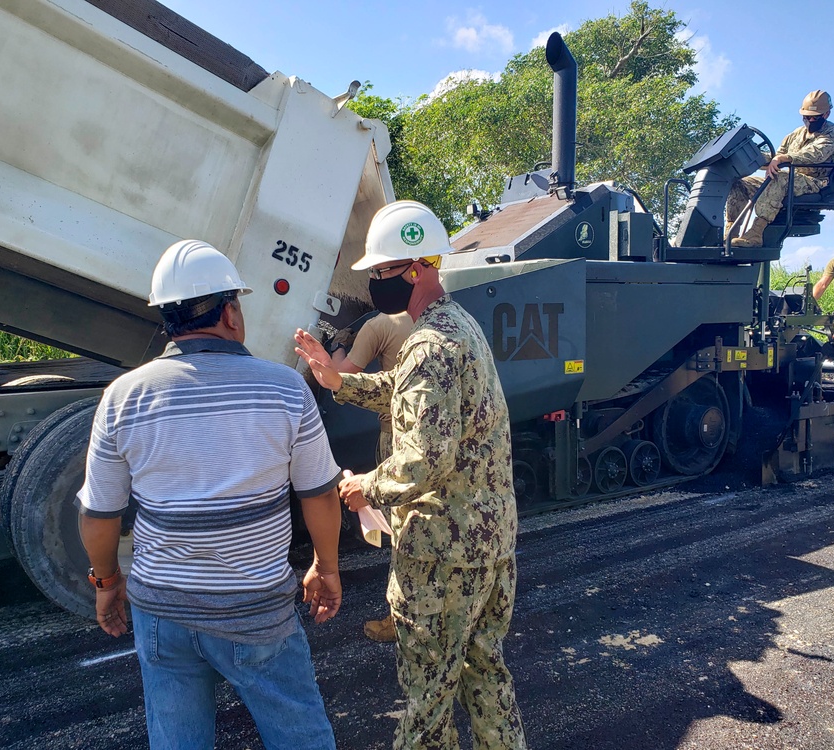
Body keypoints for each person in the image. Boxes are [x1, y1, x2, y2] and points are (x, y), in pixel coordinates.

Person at [78, 239, 343, 750]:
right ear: (230, 312)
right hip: (256, 611)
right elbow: (320, 494)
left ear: (167, 318)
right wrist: (326, 568)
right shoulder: (285, 388)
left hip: (162, 615)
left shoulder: (123, 397)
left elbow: (100, 513)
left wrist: (107, 581)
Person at [295, 200, 527, 750]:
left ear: (421, 267)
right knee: (486, 673)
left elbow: (422, 460)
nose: (376, 282)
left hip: (441, 555)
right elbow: (405, 393)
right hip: (490, 546)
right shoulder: (457, 327)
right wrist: (339, 382)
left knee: (427, 697)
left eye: (383, 271)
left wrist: (362, 487)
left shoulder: (429, 344)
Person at [331, 311, 413, 643]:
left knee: (401, 528)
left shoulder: (378, 325)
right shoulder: (428, 320)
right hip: (426, 432)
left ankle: (402, 618)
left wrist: (338, 346)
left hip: (394, 434)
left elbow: (341, 374)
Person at [726, 90, 834, 248]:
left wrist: (784, 159)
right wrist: (751, 157)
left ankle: (756, 233)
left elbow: (815, 155)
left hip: (815, 183)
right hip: (791, 179)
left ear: (826, 114)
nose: (809, 120)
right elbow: (778, 155)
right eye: (806, 116)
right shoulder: (796, 134)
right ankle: (730, 233)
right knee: (739, 183)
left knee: (780, 178)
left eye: (814, 117)